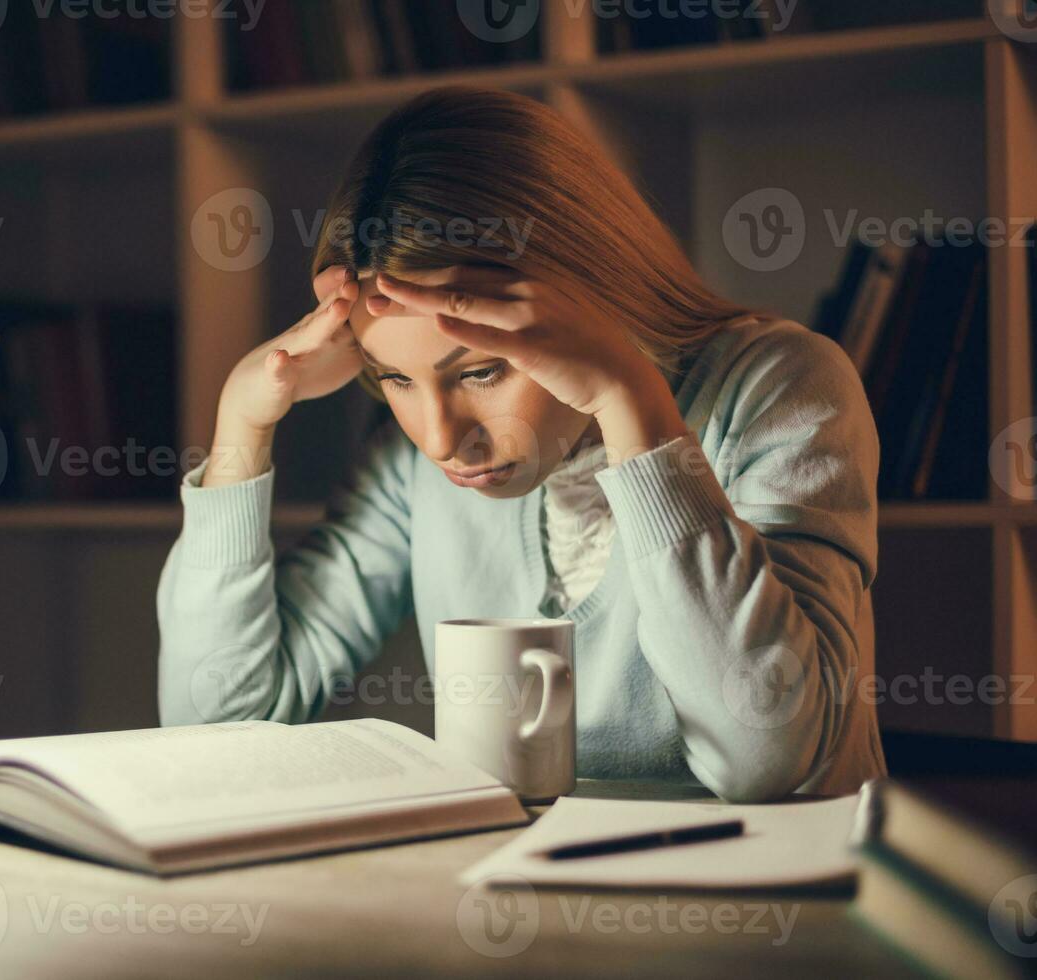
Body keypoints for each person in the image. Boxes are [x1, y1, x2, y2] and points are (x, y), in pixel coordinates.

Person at [156, 87, 885, 803]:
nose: (442, 441)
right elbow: (215, 727)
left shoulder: (782, 387)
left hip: (770, 914)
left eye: (480, 370)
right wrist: (241, 427)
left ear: (591, 295)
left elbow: (767, 760)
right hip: (506, 908)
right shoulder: (411, 467)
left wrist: (627, 401)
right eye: (394, 380)